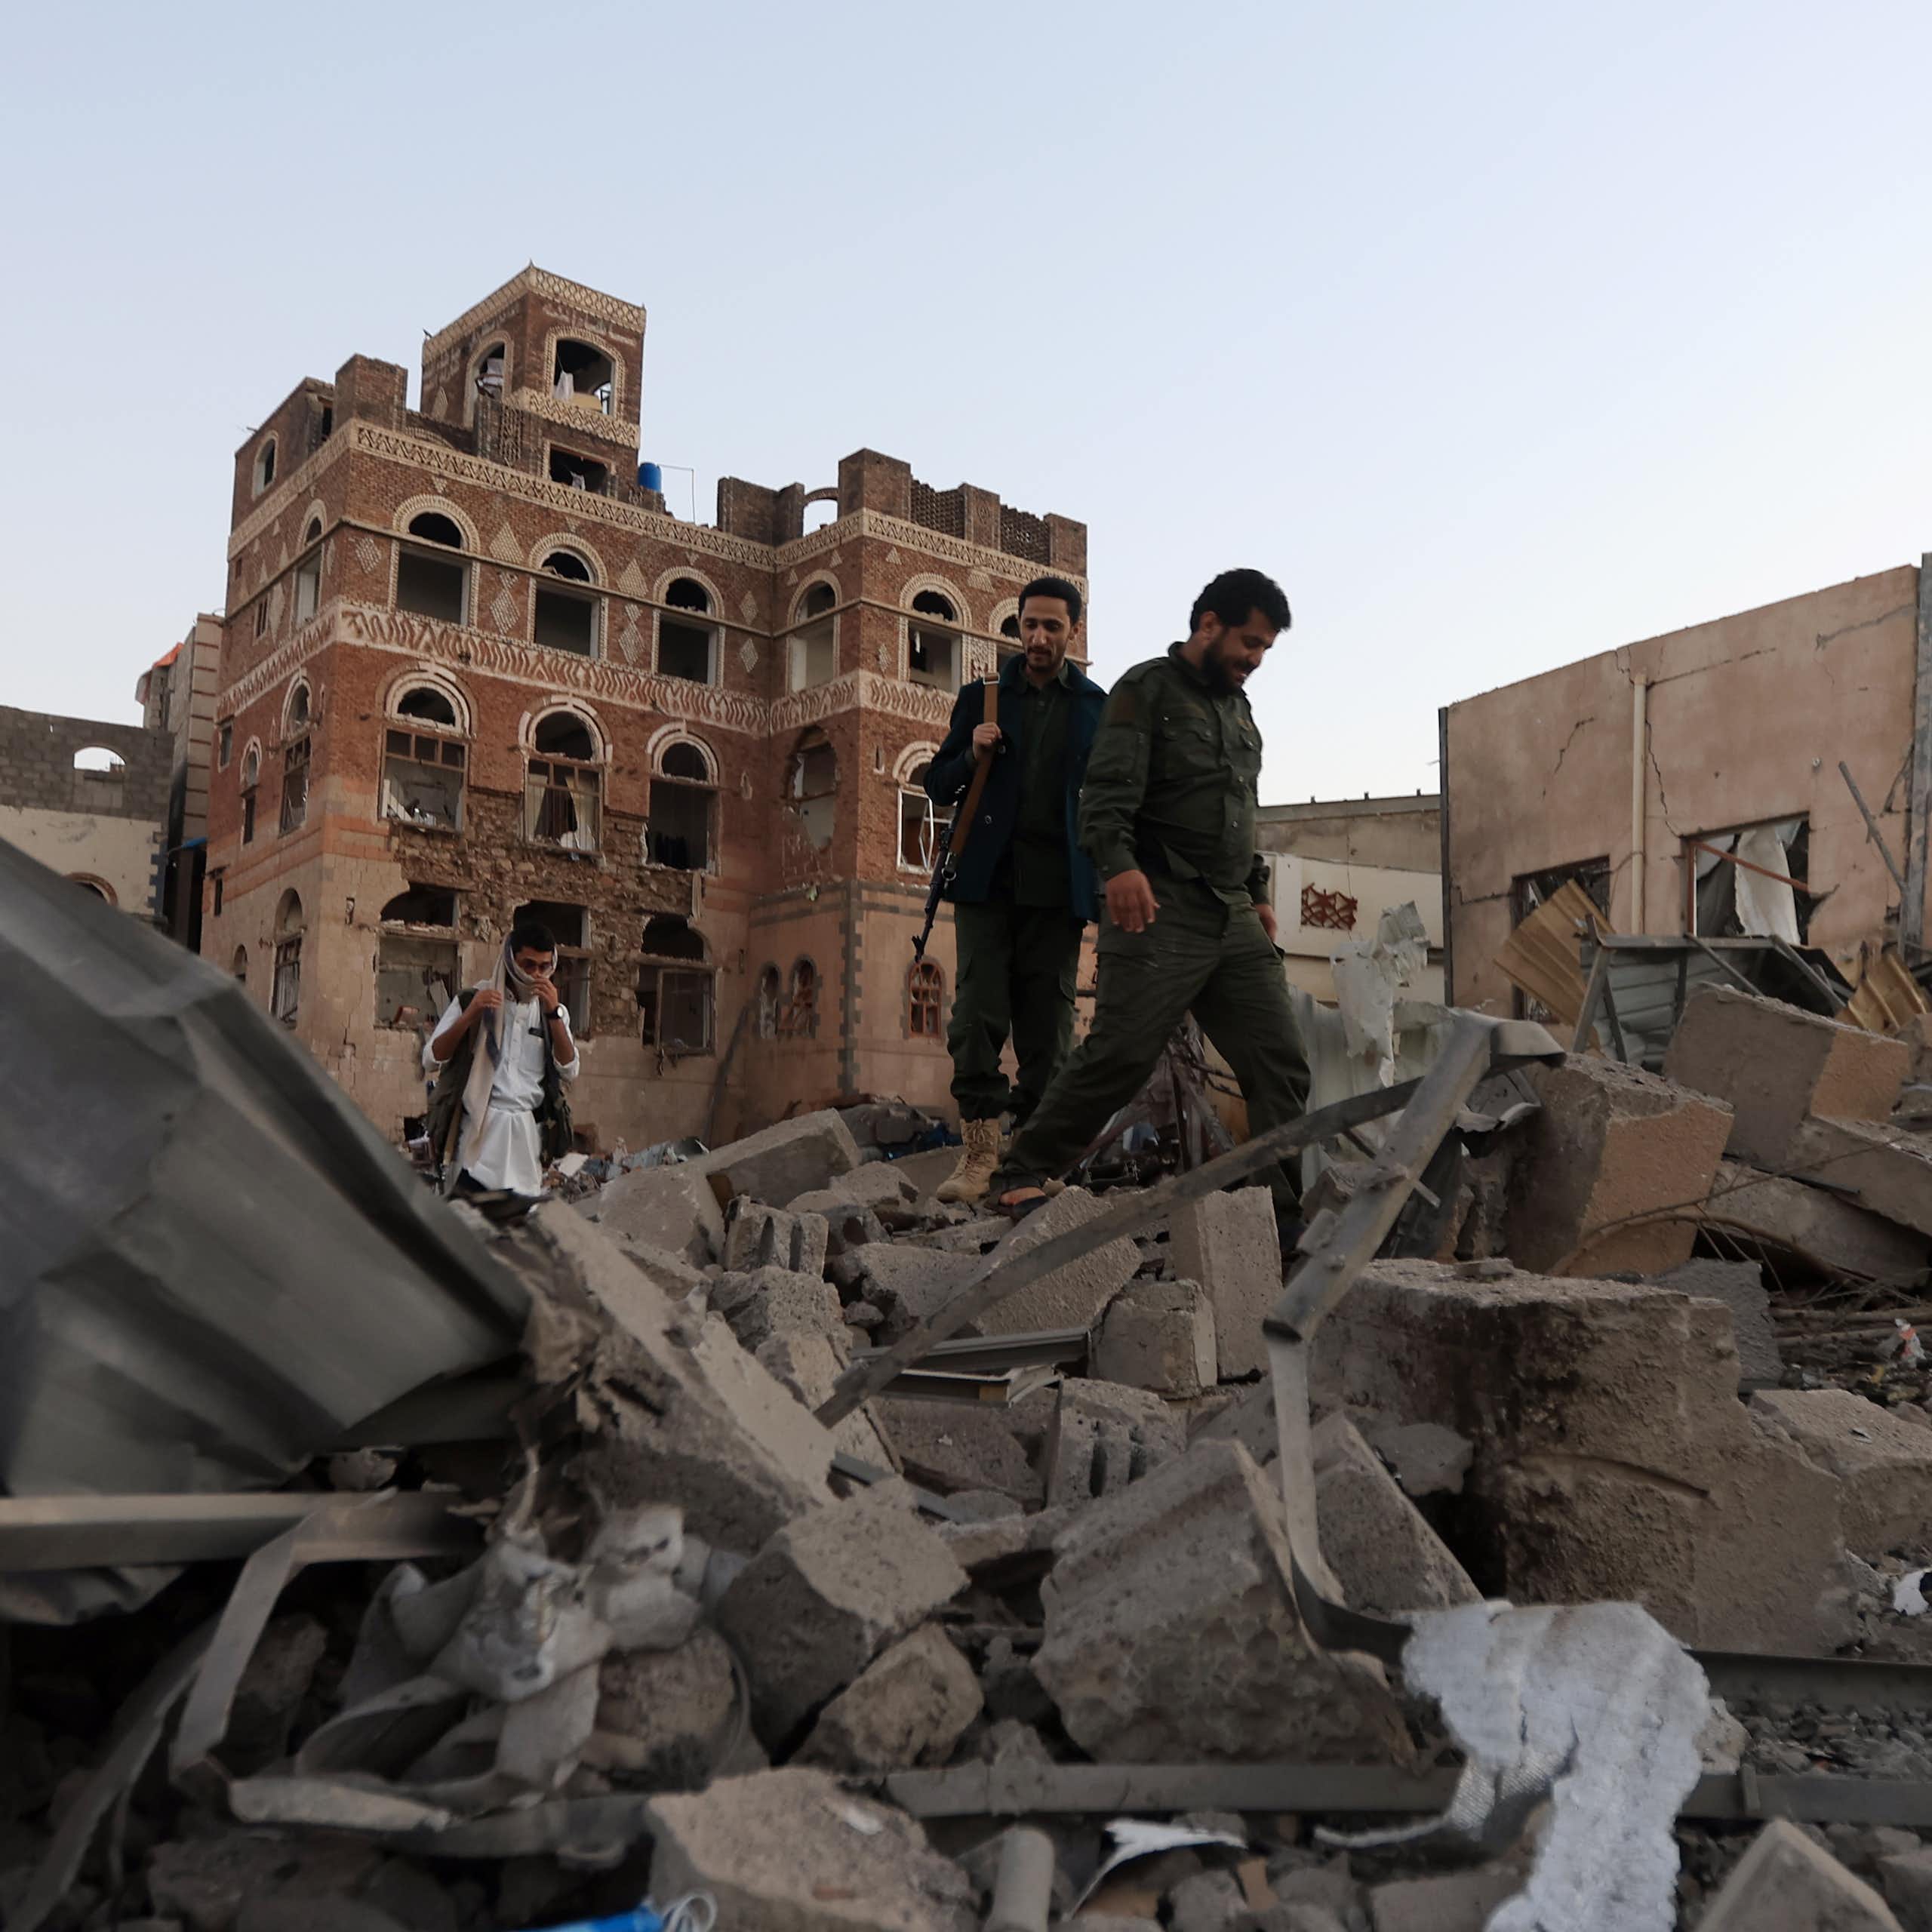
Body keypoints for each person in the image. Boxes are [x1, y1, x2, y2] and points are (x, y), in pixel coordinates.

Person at [986, 567, 1311, 1234]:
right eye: (1249, 643)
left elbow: (1239, 810)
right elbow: (1103, 793)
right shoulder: (1146, 690)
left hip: (1231, 914)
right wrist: (1118, 868)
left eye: (1265, 650)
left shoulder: (1238, 710)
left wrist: (1257, 894)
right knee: (1121, 1053)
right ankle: (1019, 1173)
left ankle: (1278, 1217)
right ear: (1209, 625)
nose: (1254, 660)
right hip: (1158, 904)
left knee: (1280, 1062)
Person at [923, 574, 1109, 1203]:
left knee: (1049, 1026)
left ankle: (1031, 1157)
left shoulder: (1095, 708)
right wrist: (971, 754)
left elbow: (1111, 802)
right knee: (976, 1016)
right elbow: (936, 784)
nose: (1037, 637)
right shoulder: (983, 699)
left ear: (1073, 632)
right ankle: (978, 1155)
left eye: (1052, 626)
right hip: (987, 882)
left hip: (1059, 890)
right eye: (1029, 624)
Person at [424, 918, 579, 1197]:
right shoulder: (474, 997)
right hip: (478, 1132)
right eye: (528, 965)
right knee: (470, 1216)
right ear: (510, 959)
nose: (536, 974)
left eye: (544, 967)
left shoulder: (554, 1012)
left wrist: (553, 1013)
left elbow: (569, 1069)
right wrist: (471, 1014)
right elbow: (432, 1058)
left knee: (519, 1219)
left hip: (527, 1135)